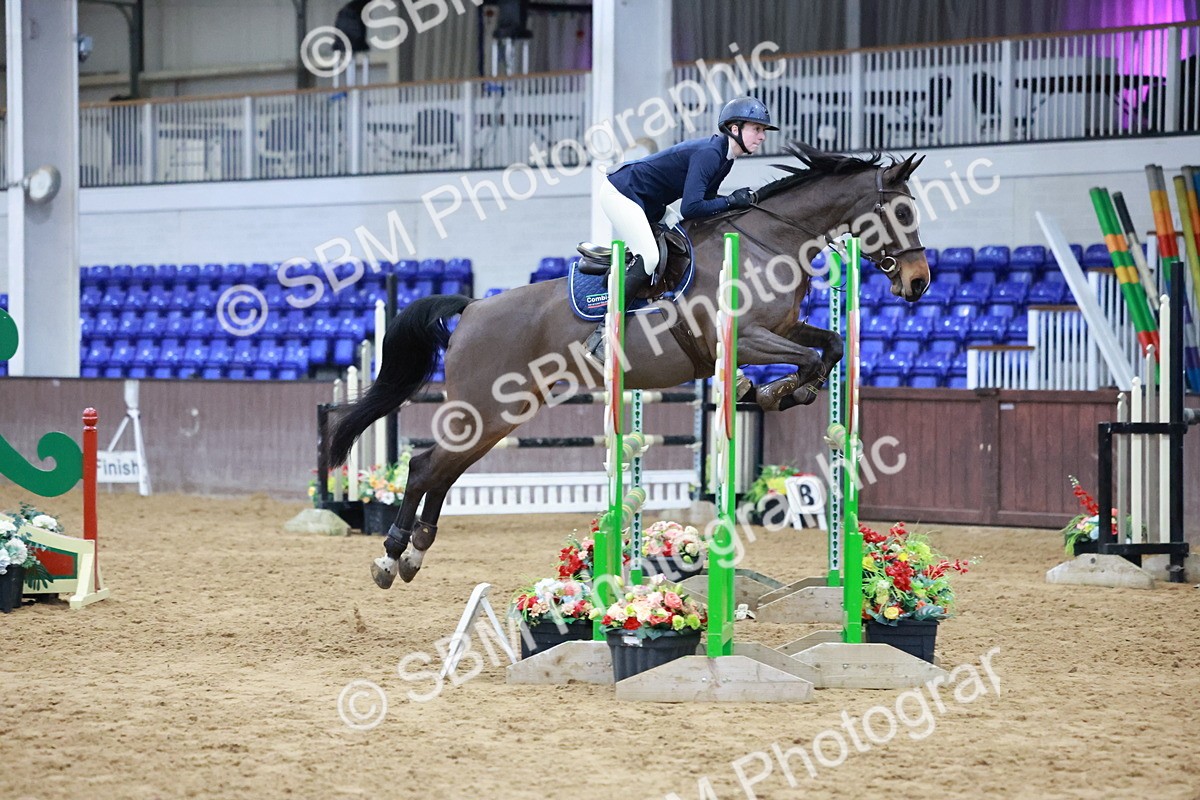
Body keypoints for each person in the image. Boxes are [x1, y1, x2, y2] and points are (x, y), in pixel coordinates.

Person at [584, 96, 778, 366]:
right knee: (650, 257)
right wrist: (731, 200)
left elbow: (707, 205)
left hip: (649, 202)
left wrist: (738, 206)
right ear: (735, 129)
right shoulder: (711, 154)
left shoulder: (725, 158)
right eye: (756, 129)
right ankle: (602, 333)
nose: (761, 136)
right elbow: (692, 207)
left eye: (762, 131)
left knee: (680, 234)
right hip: (622, 192)